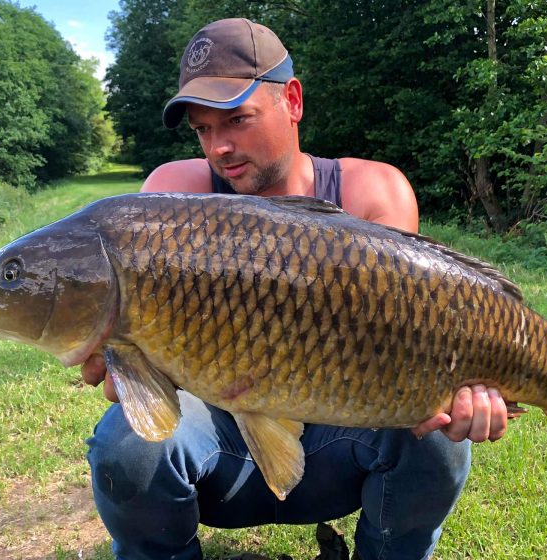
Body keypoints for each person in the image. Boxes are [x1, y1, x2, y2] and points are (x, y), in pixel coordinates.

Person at [82, 18, 511, 560]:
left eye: (237, 119)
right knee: (127, 443)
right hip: (221, 449)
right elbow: (136, 389)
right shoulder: (173, 198)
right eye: (203, 130)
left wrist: (463, 390)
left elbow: (414, 343)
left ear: (292, 100)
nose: (219, 148)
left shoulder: (373, 193)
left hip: (342, 443)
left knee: (437, 444)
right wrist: (131, 372)